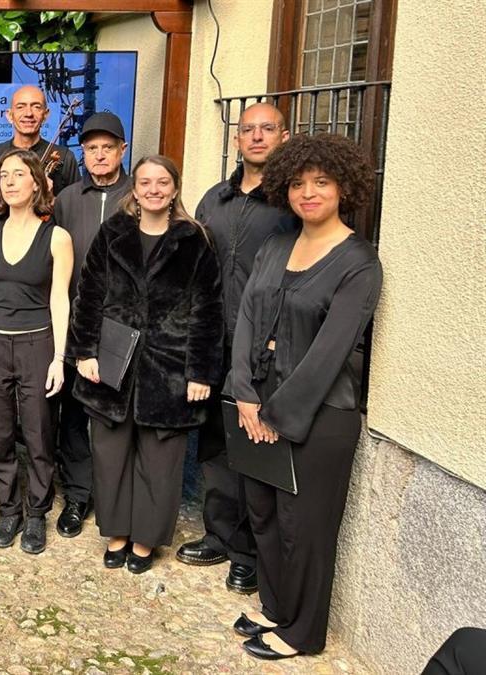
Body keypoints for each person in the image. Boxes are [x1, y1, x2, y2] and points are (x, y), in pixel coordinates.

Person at [227, 133, 382, 660]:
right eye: (297, 183)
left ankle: (302, 633)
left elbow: (331, 353)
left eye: (321, 183)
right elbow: (247, 318)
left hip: (318, 417)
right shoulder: (275, 247)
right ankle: (276, 609)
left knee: (306, 528)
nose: (308, 193)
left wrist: (277, 414)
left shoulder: (359, 262)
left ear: (344, 188)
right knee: (264, 514)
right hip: (256, 406)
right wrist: (244, 393)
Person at [67, 155, 223, 575]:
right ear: (133, 189)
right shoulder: (112, 234)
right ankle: (116, 531)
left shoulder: (194, 240)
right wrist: (84, 352)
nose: (153, 189)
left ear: (174, 188)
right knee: (111, 453)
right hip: (112, 363)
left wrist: (201, 373)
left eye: (162, 182)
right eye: (145, 182)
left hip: (169, 367)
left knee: (160, 461)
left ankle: (145, 539)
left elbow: (208, 310)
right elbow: (89, 294)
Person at [175, 102, 295, 595]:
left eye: (268, 129)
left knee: (254, 443)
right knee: (214, 443)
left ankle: (248, 552)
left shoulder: (290, 202)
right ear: (237, 139)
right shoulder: (214, 200)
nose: (257, 137)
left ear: (284, 137)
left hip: (264, 343)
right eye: (248, 130)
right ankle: (219, 533)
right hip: (211, 338)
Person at [0, 149, 73, 555]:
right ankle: (8, 508)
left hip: (38, 343)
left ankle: (36, 513)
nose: (11, 181)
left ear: (37, 182)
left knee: (38, 432)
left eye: (20, 174)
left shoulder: (57, 237)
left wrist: (59, 358)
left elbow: (61, 300)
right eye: (4, 175)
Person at [49, 111, 132, 539]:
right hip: (75, 323)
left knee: (114, 414)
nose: (99, 155)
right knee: (74, 414)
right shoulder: (67, 199)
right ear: (82, 153)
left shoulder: (139, 195)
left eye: (107, 147)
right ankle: (78, 494)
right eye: (91, 148)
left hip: (124, 325)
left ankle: (114, 496)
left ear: (122, 150)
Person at [0, 85, 81, 196]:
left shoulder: (64, 157)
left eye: (36, 107)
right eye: (20, 107)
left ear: (45, 115)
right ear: (9, 115)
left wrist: (51, 199)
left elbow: (75, 206)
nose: (28, 114)